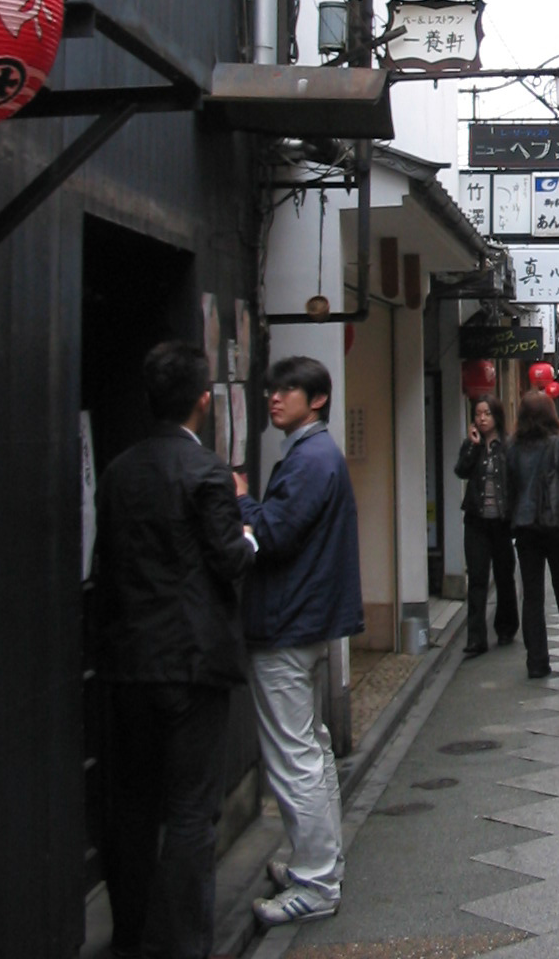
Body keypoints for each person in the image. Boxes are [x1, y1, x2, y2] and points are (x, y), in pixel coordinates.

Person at [94, 339, 255, 959]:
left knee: (131, 804)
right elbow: (228, 557)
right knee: (191, 808)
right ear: (200, 401)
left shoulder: (118, 470)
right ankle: (185, 943)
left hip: (127, 657)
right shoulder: (208, 471)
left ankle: (129, 933)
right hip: (192, 659)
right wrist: (247, 533)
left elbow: (106, 560)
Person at [234, 356, 364, 927]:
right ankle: (319, 863)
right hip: (306, 618)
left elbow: (274, 533)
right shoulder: (314, 455)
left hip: (290, 620)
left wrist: (240, 500)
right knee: (308, 749)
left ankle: (314, 882)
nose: (274, 398)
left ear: (316, 399)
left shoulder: (311, 459)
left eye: (287, 389)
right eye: (272, 389)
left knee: (294, 756)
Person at [505, 389, 559, 678]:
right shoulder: (558, 443)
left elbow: (510, 488)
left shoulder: (512, 447)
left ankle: (537, 661)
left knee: (532, 595)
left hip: (525, 527)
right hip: (556, 526)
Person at [454, 395, 519, 657]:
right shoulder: (473, 445)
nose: (481, 418)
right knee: (478, 579)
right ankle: (475, 638)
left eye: (487, 414)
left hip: (502, 522)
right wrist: (472, 445)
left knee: (504, 577)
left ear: (497, 416)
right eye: (478, 414)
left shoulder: (508, 445)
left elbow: (516, 480)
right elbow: (461, 470)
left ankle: (506, 627)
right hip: (477, 522)